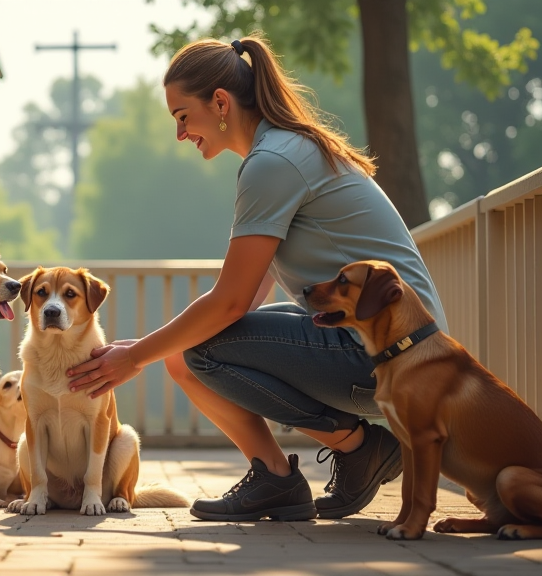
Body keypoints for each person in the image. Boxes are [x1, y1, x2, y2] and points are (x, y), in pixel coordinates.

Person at [68, 33, 448, 522]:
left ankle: (359, 447)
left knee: (195, 350)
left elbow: (228, 305)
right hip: (394, 350)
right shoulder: (282, 152)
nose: (180, 134)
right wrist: (148, 346)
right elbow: (243, 302)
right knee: (186, 355)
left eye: (183, 117)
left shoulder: (273, 164)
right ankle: (277, 478)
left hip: (389, 358)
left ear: (220, 102)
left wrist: (136, 357)